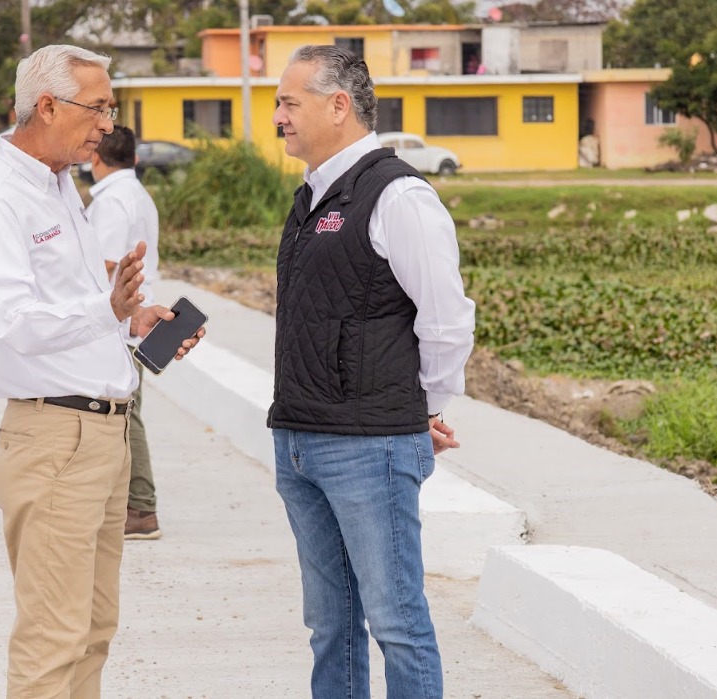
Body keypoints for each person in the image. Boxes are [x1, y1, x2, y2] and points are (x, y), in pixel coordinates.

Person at [0, 44, 202, 699]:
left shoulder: (59, 188)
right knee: (53, 636)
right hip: (56, 438)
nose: (107, 126)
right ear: (48, 106)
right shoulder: (0, 202)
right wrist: (104, 308)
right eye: (98, 108)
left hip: (100, 435)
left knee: (92, 629)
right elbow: (17, 321)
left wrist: (132, 319)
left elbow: (74, 307)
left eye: (111, 110)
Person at [268, 45, 476, 699]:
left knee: (396, 622)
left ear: (339, 105)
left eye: (288, 102)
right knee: (330, 626)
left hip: (368, 446)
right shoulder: (311, 196)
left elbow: (446, 319)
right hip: (299, 440)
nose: (277, 116)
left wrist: (425, 408)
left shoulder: (399, 196)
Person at [85, 125, 162, 540]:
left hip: (122, 324)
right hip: (134, 319)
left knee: (125, 415)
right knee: (124, 412)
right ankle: (130, 503)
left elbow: (105, 266)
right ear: (133, 158)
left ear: (95, 157)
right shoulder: (136, 194)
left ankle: (141, 508)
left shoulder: (113, 200)